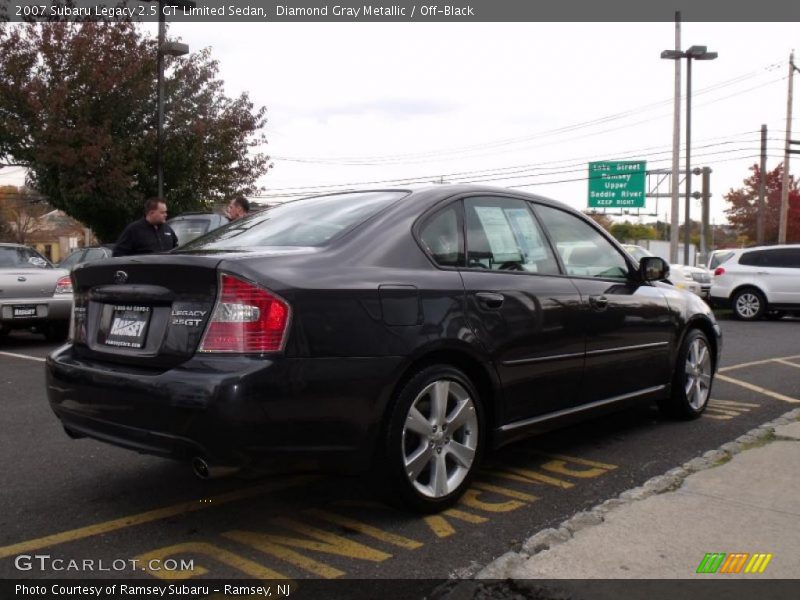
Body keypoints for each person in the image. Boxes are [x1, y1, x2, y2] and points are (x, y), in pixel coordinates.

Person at [113, 197, 178, 257]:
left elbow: (176, 250)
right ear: (151, 213)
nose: (166, 215)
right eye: (162, 212)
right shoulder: (134, 230)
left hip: (167, 265)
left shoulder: (168, 229)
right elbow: (118, 254)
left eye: (166, 212)